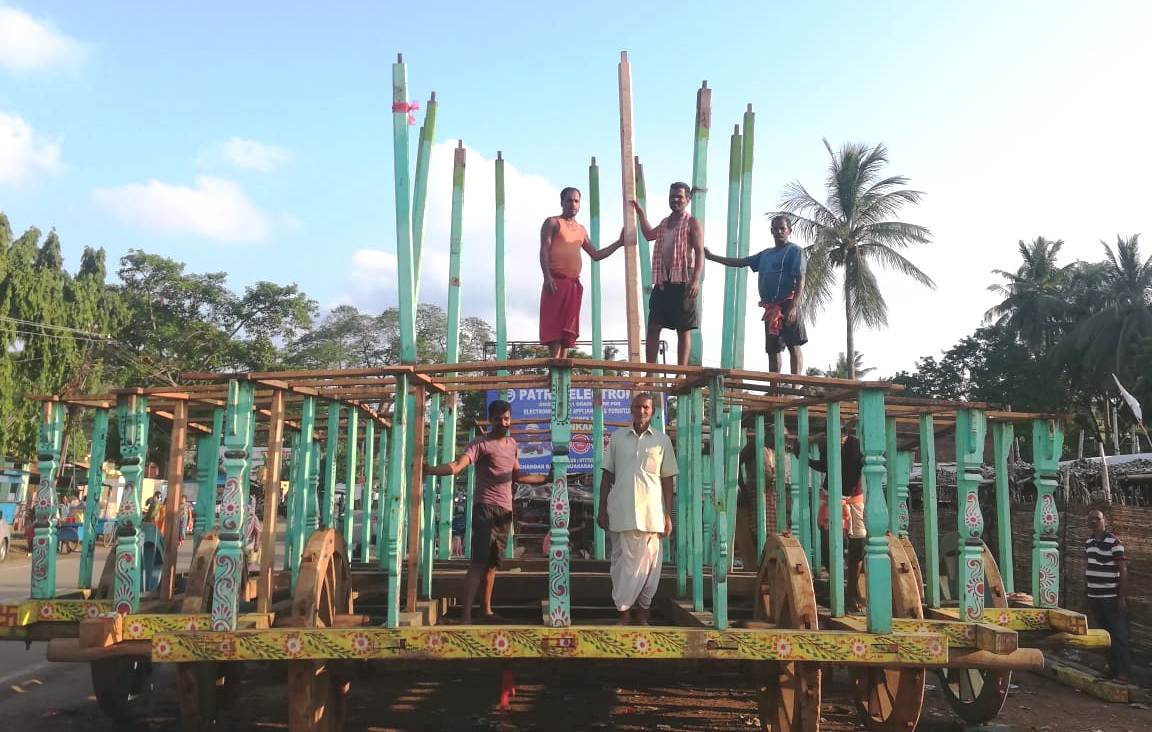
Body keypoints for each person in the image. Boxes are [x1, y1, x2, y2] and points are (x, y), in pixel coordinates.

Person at [424, 399, 550, 624]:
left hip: (505, 511)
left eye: (506, 418)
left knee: (492, 564)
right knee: (478, 563)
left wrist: (546, 478)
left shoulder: (512, 444)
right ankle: (465, 617)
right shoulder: (480, 444)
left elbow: (518, 476)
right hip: (486, 509)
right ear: (490, 420)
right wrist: (430, 470)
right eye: (498, 419)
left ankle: (486, 611)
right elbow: (457, 466)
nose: (503, 423)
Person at [596, 393, 677, 625]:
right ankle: (624, 612)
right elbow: (606, 476)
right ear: (631, 409)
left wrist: (668, 515)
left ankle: (642, 610)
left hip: (652, 515)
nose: (641, 411)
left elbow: (667, 480)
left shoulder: (662, 441)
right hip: (621, 512)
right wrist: (601, 509)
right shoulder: (617, 438)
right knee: (622, 566)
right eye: (637, 407)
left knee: (650, 567)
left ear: (652, 411)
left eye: (646, 407)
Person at [704, 215, 807, 374]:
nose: (779, 231)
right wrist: (712, 257)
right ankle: (774, 385)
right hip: (771, 307)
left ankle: (795, 384)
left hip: (788, 303)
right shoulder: (766, 254)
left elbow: (800, 279)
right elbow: (741, 262)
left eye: (782, 228)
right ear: (771, 231)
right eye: (776, 228)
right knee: (773, 350)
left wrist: (794, 306)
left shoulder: (795, 251)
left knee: (793, 345)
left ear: (789, 231)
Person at [539, 187, 627, 357]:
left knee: (567, 332)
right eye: (569, 200)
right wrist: (547, 277)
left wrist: (619, 243)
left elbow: (596, 254)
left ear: (580, 204)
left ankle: (563, 366)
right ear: (562, 202)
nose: (573, 204)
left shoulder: (581, 229)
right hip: (555, 282)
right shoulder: (553, 223)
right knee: (554, 330)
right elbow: (544, 250)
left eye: (576, 201)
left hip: (573, 284)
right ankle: (554, 365)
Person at [631, 183, 705, 365]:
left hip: (684, 278)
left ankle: (681, 372)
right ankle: (651, 369)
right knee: (654, 325)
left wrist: (696, 280)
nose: (675, 200)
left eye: (680, 197)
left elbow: (699, 252)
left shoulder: (692, 222)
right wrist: (640, 214)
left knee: (684, 328)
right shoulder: (665, 222)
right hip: (663, 280)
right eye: (672, 196)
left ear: (688, 199)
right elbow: (649, 235)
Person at [809, 428, 864, 609]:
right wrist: (807, 459)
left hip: (853, 497)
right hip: (833, 496)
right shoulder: (828, 444)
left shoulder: (857, 444)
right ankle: (839, 587)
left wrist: (806, 459)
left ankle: (850, 592)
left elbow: (824, 465)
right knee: (829, 542)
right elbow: (824, 465)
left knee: (857, 545)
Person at [1085, 509, 1132, 682]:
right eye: (1090, 519)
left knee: (1118, 635)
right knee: (1104, 636)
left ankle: (1123, 673)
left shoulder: (1114, 542)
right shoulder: (1089, 542)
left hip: (1110, 597)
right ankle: (1112, 670)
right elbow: (1088, 567)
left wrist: (1121, 598)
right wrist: (1086, 593)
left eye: (1097, 519)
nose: (1093, 522)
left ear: (1104, 521)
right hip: (1094, 596)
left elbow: (1123, 571)